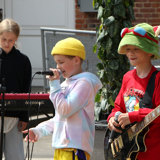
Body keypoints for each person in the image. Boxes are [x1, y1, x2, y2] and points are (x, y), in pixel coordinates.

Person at [23, 37, 102, 160]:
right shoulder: (66, 84)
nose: (58, 67)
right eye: (56, 62)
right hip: (62, 147)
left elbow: (65, 110)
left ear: (76, 60)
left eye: (61, 62)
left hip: (74, 148)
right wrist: (38, 130)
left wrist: (54, 85)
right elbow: (59, 119)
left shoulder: (84, 83)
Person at [107, 23, 160, 160]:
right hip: (129, 151)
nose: (130, 53)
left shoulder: (158, 79)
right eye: (128, 49)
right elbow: (118, 107)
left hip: (152, 152)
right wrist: (112, 118)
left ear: (149, 51)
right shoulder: (127, 77)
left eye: (136, 48)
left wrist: (133, 116)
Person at [0, 18, 32, 159]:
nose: (7, 43)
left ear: (16, 39)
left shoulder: (23, 61)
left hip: (15, 116)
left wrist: (24, 117)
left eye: (11, 40)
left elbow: (26, 89)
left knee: (15, 156)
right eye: (4, 39)